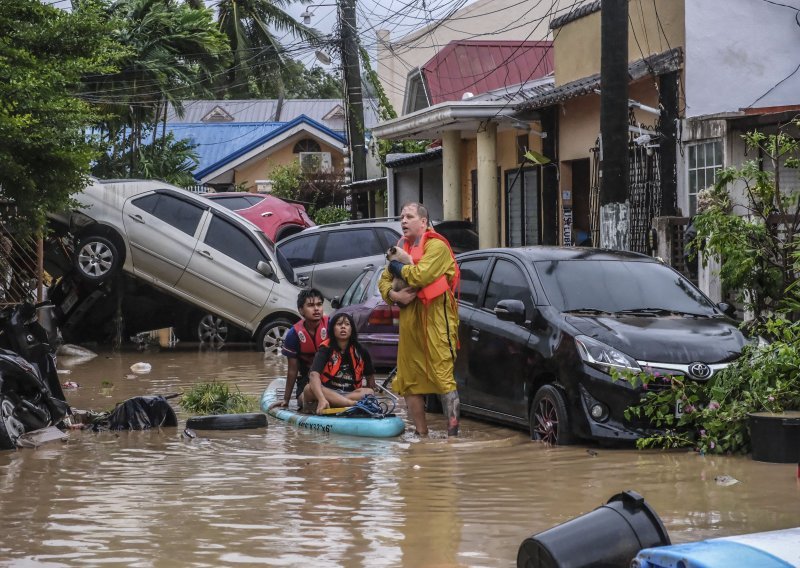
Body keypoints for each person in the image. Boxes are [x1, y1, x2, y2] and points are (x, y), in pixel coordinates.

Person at [378, 202, 461, 437]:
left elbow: (420, 275)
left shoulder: (437, 247)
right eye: (402, 217)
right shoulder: (401, 246)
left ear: (423, 222)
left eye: (409, 216)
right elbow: (382, 282)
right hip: (409, 325)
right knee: (409, 380)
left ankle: (452, 438)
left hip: (436, 323)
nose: (403, 221)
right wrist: (394, 295)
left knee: (444, 379)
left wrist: (396, 266)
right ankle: (421, 435)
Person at [303, 312, 377, 414]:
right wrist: (321, 398)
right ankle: (350, 404)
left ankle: (337, 402)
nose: (343, 327)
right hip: (327, 392)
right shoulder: (325, 349)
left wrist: (371, 398)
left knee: (369, 392)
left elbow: (370, 381)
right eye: (339, 324)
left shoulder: (361, 351)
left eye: (347, 324)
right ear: (333, 329)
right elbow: (313, 375)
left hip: (349, 393)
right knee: (308, 389)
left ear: (352, 329)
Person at [278, 288, 327, 408]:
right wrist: (286, 399)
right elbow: (292, 371)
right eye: (310, 305)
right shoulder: (293, 334)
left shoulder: (332, 326)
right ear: (301, 310)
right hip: (307, 380)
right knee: (303, 400)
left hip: (331, 378)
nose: (316, 309)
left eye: (319, 304)